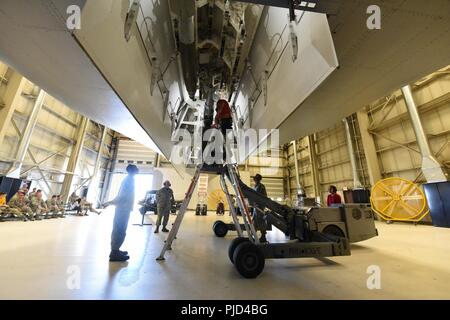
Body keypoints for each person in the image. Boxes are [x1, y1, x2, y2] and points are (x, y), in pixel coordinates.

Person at [103, 164, 139, 262]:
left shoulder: (130, 179)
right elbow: (122, 195)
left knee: (120, 229)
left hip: (124, 208)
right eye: (136, 168)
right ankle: (114, 253)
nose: (138, 169)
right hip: (123, 208)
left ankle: (116, 250)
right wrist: (110, 202)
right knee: (119, 230)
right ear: (132, 170)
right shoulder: (129, 180)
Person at [252, 174, 268, 243]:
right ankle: (253, 235)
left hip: (260, 207)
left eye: (255, 179)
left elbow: (261, 196)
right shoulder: (256, 186)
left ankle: (263, 237)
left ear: (257, 179)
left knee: (260, 221)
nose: (254, 180)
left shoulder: (261, 186)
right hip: (256, 207)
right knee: (255, 220)